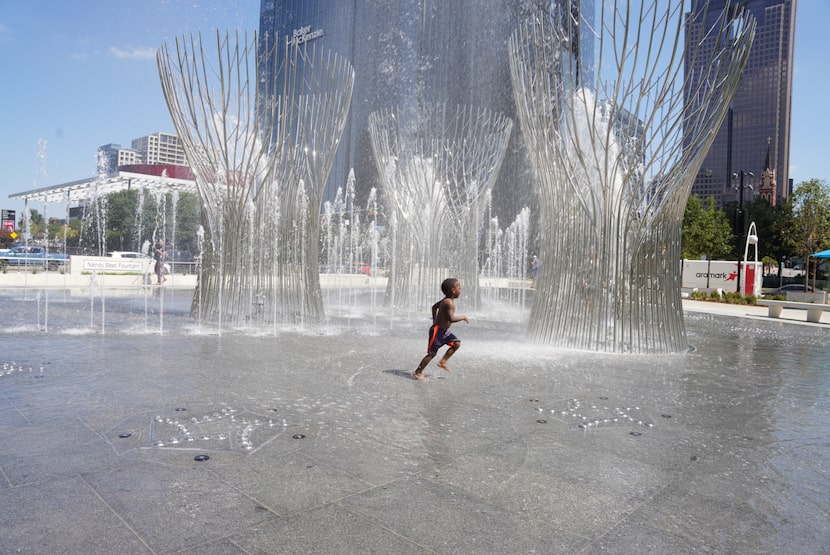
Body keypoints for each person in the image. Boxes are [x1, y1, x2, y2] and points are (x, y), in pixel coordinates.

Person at [413, 277, 469, 381]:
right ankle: (418, 372)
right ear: (453, 290)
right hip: (437, 331)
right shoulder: (449, 303)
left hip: (443, 331)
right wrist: (463, 317)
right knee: (432, 353)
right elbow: (451, 319)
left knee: (456, 343)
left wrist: (434, 319)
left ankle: (442, 362)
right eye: (459, 288)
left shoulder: (446, 300)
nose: (460, 291)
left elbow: (434, 307)